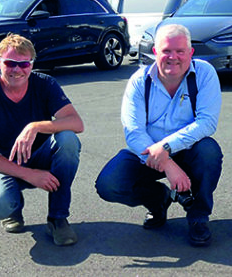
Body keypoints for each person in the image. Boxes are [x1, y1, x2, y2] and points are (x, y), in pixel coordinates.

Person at [95, 24, 222, 247]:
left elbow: (207, 122)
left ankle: (198, 216)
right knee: (109, 184)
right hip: (147, 152)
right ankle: (159, 200)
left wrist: (166, 148)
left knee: (209, 152)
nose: (173, 57)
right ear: (155, 52)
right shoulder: (139, 81)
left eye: (180, 51)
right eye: (166, 51)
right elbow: (134, 133)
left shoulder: (204, 74)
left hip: (187, 149)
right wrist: (168, 165)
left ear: (190, 53)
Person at [0, 33, 83, 246]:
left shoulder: (45, 84)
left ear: (32, 64)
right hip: (4, 162)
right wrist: (29, 174)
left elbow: (76, 123)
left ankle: (58, 218)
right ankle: (13, 208)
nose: (17, 70)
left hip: (41, 155)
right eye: (10, 63)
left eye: (24, 64)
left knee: (68, 140)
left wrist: (35, 126)